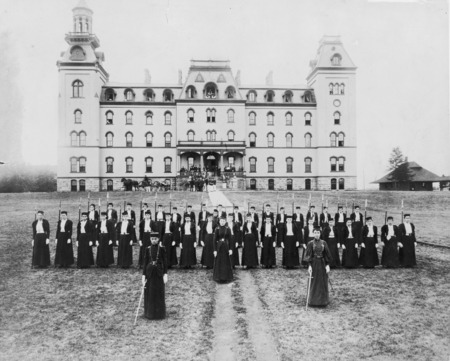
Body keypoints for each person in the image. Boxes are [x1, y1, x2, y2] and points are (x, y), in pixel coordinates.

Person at [142, 232, 168, 320]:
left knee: (158, 292)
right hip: (149, 274)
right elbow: (145, 263)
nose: (154, 241)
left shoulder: (162, 249)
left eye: (155, 239)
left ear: (158, 239)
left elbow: (165, 262)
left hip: (159, 273)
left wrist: (165, 274)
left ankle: (159, 314)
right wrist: (143, 275)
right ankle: (149, 313)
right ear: (150, 239)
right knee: (150, 292)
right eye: (152, 239)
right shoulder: (147, 249)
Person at [305, 227, 331, 307]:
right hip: (314, 264)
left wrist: (327, 265)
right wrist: (309, 266)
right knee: (314, 282)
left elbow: (327, 255)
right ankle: (312, 301)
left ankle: (323, 302)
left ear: (320, 234)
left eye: (318, 233)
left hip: (322, 264)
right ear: (313, 233)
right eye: (315, 232)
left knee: (322, 282)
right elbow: (308, 256)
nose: (317, 234)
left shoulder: (324, 243)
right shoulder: (310, 243)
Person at [213, 216, 233, 283]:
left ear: (225, 221)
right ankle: (219, 277)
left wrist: (230, 249)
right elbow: (214, 240)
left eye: (223, 221)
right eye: (221, 221)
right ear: (219, 221)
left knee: (225, 261)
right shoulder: (217, 229)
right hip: (219, 247)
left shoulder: (228, 229)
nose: (222, 222)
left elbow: (230, 239)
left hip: (226, 246)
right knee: (219, 261)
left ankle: (226, 277)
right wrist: (215, 250)